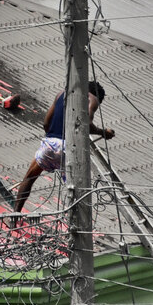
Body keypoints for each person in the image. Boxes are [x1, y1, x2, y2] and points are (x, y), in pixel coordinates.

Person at [13, 82, 115, 214]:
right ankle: (75, 221)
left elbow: (46, 124)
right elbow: (87, 124)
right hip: (69, 148)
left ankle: (15, 214)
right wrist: (103, 132)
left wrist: (53, 141)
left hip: (51, 143)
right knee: (77, 192)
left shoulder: (61, 94)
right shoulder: (92, 99)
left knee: (29, 177)